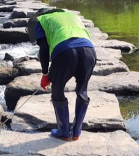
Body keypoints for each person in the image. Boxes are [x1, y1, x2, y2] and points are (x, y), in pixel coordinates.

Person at [27, 8, 97, 141]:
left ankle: (63, 132)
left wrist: (45, 74)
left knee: (57, 91)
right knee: (82, 90)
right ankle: (76, 132)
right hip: (89, 50)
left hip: (65, 51)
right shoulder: (71, 15)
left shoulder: (41, 21)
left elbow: (44, 49)